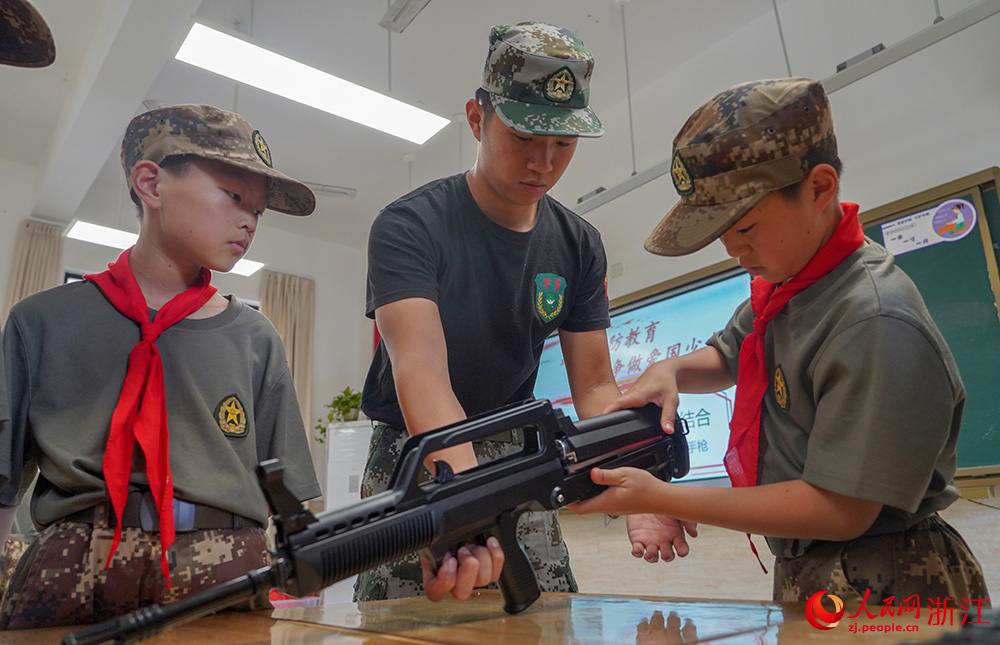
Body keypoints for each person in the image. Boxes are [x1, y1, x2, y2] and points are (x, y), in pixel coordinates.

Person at [572, 77, 991, 607]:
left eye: (745, 227)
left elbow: (840, 510)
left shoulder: (873, 319)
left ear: (819, 187)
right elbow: (731, 353)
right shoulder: (792, 285)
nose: (734, 250)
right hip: (815, 570)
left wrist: (665, 497)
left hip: (893, 577)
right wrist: (673, 370)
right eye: (723, 235)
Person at [0, 104, 322, 629]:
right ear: (150, 183)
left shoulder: (255, 338)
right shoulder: (41, 321)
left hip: (225, 564)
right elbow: (3, 481)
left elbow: (284, 491)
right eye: (234, 196)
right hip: (72, 561)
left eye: (258, 211)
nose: (249, 221)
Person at [357, 22, 621, 603]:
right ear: (478, 120)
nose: (544, 163)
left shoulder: (579, 244)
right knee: (406, 622)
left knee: (542, 618)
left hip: (518, 450)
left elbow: (597, 385)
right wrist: (465, 497)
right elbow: (420, 367)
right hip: (419, 449)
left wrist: (636, 483)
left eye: (564, 145)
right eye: (525, 137)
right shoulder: (410, 226)